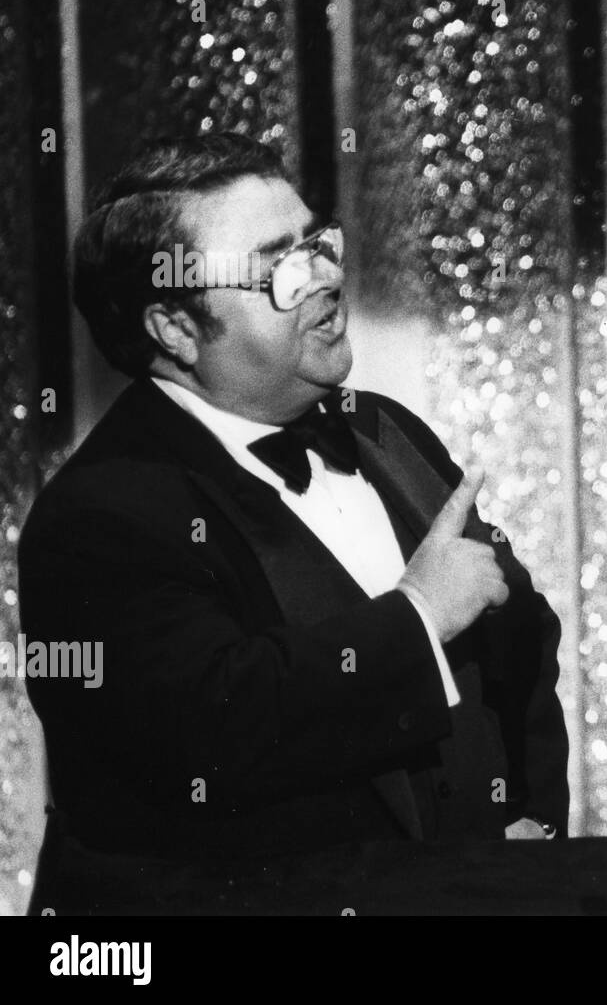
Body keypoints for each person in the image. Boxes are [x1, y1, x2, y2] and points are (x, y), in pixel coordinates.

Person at [20, 133, 568, 913]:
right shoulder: (99, 515)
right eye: (278, 265)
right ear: (174, 329)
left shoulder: (387, 431)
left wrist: (526, 842)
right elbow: (214, 733)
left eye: (317, 243)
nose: (325, 276)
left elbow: (522, 651)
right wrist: (418, 618)